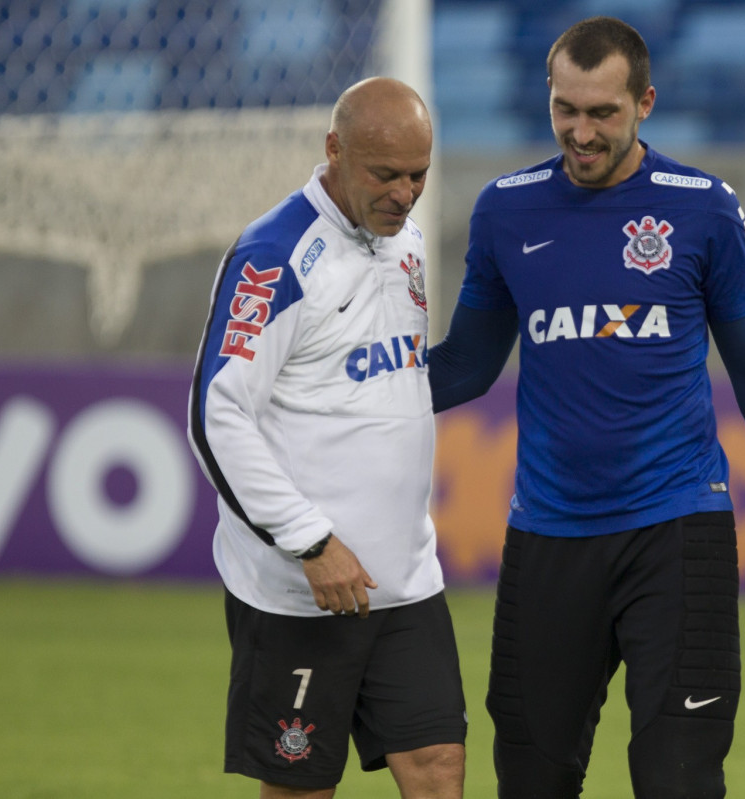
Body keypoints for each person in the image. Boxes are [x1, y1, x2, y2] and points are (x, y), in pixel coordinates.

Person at [428, 17, 745, 799]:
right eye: (567, 108)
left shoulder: (702, 208)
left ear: (646, 103)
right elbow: (462, 368)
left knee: (679, 780)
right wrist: (337, 389)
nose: (582, 131)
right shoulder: (506, 211)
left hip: (678, 532)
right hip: (548, 537)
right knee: (530, 779)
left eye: (603, 112)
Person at [187, 77, 465, 799]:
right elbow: (216, 415)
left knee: (439, 766)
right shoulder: (273, 257)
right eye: (386, 175)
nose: (406, 195)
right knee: (302, 786)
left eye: (418, 175)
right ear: (334, 151)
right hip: (299, 591)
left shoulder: (402, 238)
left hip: (405, 579)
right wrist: (310, 539)